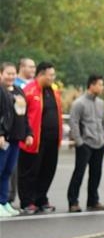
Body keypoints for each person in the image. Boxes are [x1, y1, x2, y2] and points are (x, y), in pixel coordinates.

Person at [17, 62, 62, 215]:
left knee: (48, 170)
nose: (53, 78)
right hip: (33, 139)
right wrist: (25, 134)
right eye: (51, 75)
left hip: (52, 140)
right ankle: (27, 201)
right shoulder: (28, 91)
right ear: (41, 74)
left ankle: (41, 199)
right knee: (30, 171)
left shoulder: (54, 91)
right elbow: (21, 114)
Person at [66, 74, 104, 212]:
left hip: (99, 143)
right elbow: (73, 122)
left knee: (96, 174)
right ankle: (73, 202)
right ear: (91, 85)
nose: (102, 87)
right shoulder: (79, 103)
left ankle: (93, 201)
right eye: (100, 84)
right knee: (79, 173)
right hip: (85, 144)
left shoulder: (101, 103)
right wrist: (79, 142)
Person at [0, 62, 33, 217]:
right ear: (1, 74)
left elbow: (24, 115)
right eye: (8, 73)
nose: (11, 77)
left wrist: (28, 133)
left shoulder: (19, 91)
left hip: (15, 138)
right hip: (4, 138)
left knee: (8, 171)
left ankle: (4, 202)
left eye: (13, 74)